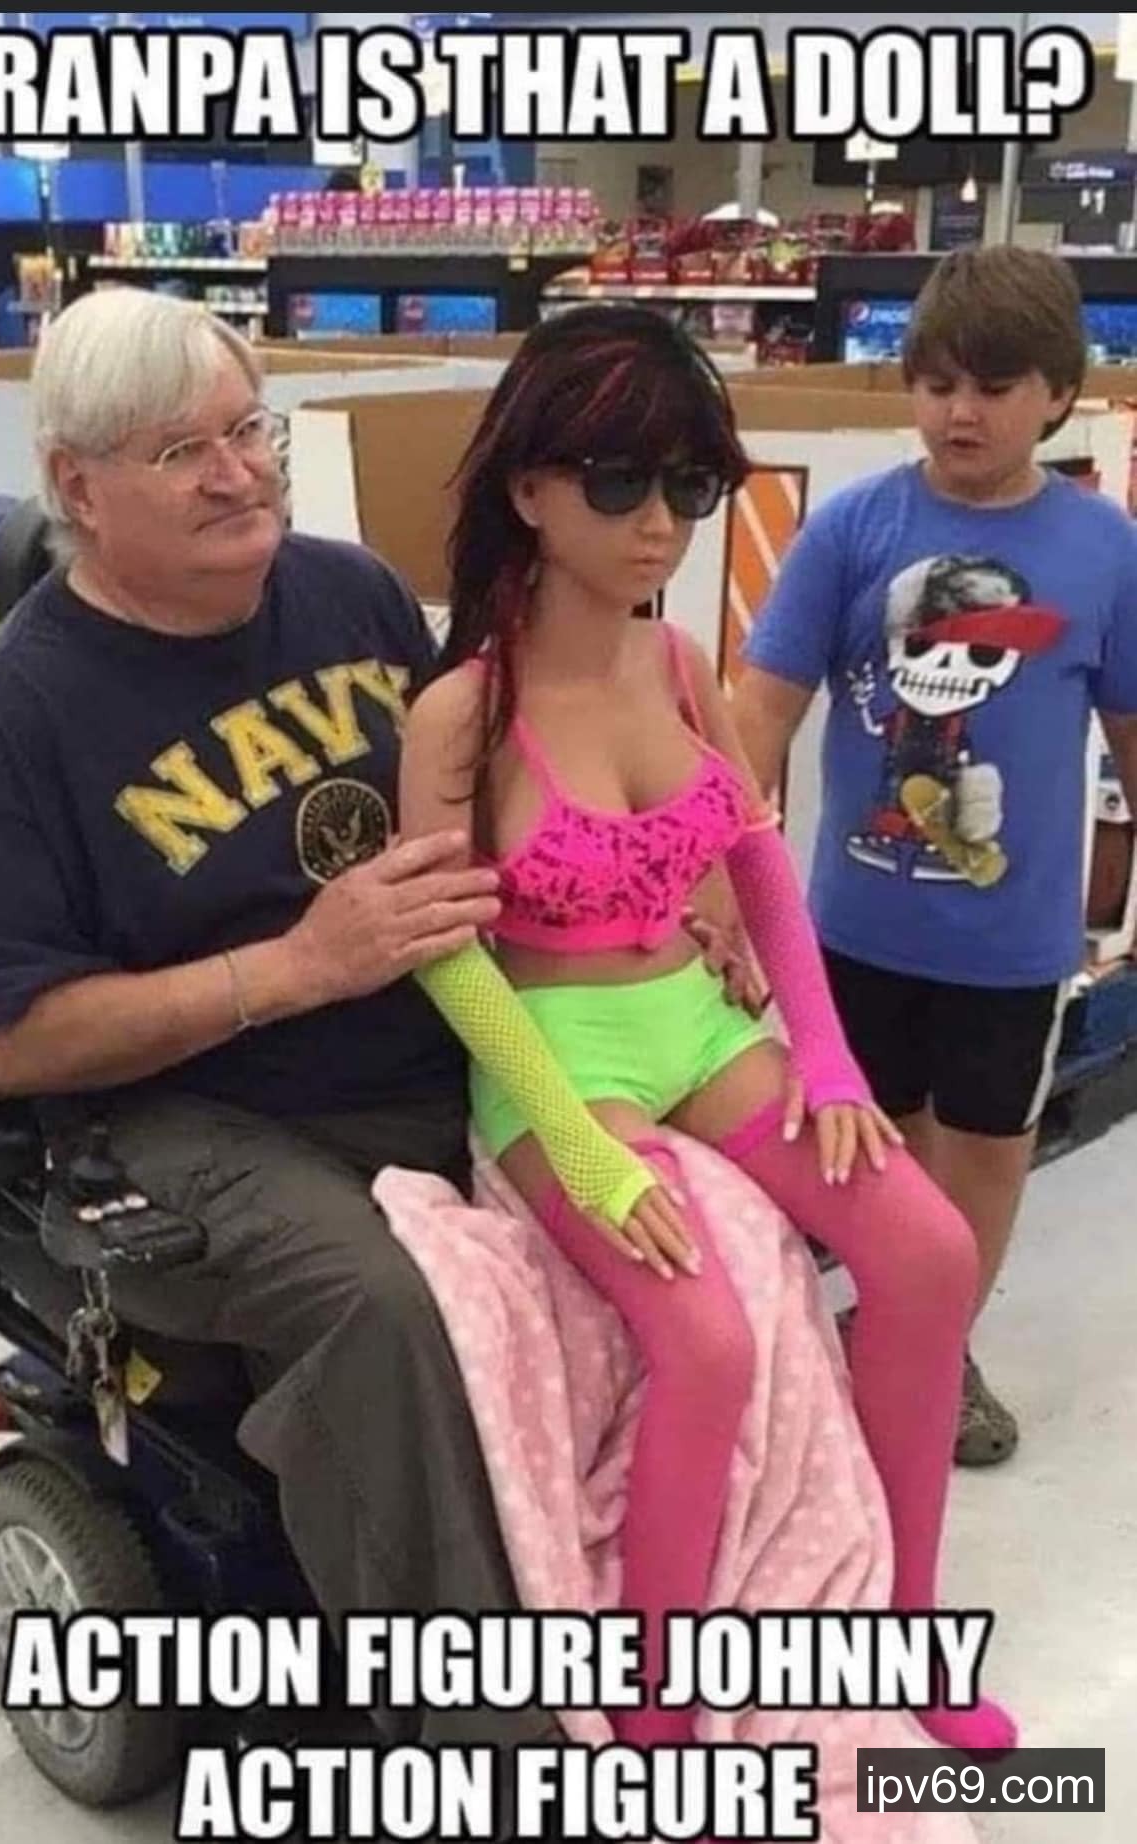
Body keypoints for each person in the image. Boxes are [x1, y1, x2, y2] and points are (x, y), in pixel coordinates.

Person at [0, 286, 563, 1782]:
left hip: (424, 1041)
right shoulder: (15, 720)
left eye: (248, 431)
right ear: (77, 486)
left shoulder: (354, 597)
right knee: (381, 1309)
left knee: (660, 1206)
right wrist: (294, 968)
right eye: (180, 451)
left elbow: (492, 808)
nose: (240, 474)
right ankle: (482, 1750)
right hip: (189, 1118)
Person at [397, 303, 1014, 1754]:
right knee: (708, 1338)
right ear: (529, 488)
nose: (659, 523)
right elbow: (449, 961)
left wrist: (829, 1059)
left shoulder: (676, 665)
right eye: (620, 482)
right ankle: (655, 1712)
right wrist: (574, 1145)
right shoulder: (460, 714)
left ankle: (903, 1629)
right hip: (557, 1058)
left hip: (694, 1023)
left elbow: (756, 864)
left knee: (927, 1255)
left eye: (688, 485)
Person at [731, 247, 1137, 1467]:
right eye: (938, 383)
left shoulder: (1105, 549)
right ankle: (875, 1314)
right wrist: (714, 884)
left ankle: (938, 1345)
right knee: (874, 1141)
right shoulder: (852, 530)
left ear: (1058, 393)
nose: (961, 412)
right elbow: (756, 717)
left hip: (1013, 942)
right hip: (854, 930)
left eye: (995, 387)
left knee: (989, 1146)